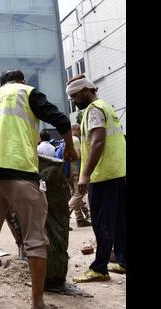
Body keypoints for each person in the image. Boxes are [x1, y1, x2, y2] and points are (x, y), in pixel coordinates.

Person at [0, 68, 76, 307]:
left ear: (0, 84)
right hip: (20, 172)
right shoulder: (26, 92)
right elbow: (61, 120)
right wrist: (70, 148)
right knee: (35, 238)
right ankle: (37, 301)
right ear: (20, 81)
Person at [67, 75, 126, 282]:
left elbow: (98, 142)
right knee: (119, 220)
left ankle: (99, 268)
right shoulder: (106, 107)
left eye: (75, 96)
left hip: (103, 176)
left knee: (101, 223)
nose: (74, 101)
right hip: (118, 172)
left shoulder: (93, 110)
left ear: (85, 91)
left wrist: (85, 174)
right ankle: (123, 261)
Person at [68, 123, 92, 227]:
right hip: (75, 170)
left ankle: (80, 219)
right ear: (76, 130)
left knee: (75, 194)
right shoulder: (75, 139)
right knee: (79, 194)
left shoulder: (67, 139)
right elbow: (77, 156)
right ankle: (64, 214)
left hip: (68, 172)